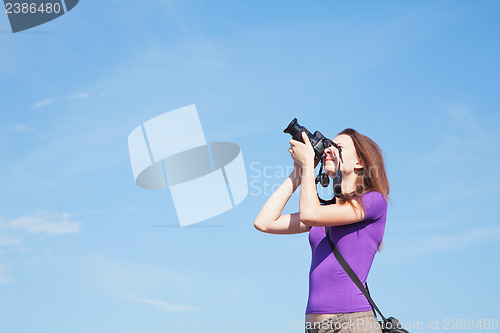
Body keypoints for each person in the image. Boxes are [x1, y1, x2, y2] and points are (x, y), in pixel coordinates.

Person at [254, 128, 389, 333]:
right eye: (327, 146)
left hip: (352, 324)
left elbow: (309, 214)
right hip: (314, 327)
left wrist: (308, 165)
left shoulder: (373, 201)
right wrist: (297, 174)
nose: (328, 151)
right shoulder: (325, 213)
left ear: (359, 162)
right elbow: (264, 222)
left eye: (338, 147)